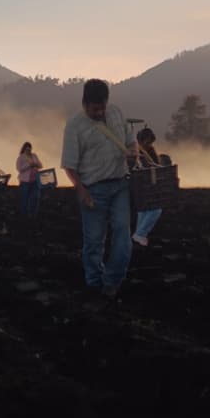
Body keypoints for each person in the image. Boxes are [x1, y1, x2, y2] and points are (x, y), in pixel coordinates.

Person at [61, 79, 136, 299]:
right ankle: (93, 281)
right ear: (85, 103)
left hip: (120, 183)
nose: (100, 112)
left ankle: (112, 280)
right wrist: (82, 191)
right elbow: (69, 165)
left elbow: (131, 141)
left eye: (102, 107)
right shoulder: (75, 126)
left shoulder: (116, 113)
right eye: (95, 109)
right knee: (94, 240)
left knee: (123, 233)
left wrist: (133, 152)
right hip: (93, 188)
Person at [131, 128, 168, 247]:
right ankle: (140, 234)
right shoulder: (134, 151)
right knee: (154, 210)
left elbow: (154, 166)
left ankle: (138, 236)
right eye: (148, 142)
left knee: (144, 210)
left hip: (148, 185)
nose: (150, 145)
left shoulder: (150, 152)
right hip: (140, 186)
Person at [16, 142, 43, 217]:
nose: (29, 150)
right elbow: (19, 169)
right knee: (24, 199)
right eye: (27, 148)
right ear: (24, 149)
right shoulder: (21, 157)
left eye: (30, 148)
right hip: (25, 181)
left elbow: (41, 165)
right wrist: (29, 165)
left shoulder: (34, 155)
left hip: (35, 180)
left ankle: (33, 215)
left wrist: (36, 164)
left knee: (35, 198)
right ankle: (24, 216)